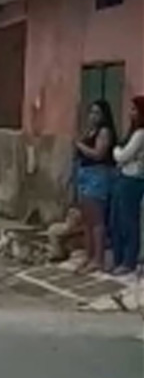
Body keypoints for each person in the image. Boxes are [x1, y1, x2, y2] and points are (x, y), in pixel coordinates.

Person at [74, 99, 117, 273]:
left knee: (96, 220)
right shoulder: (90, 131)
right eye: (91, 112)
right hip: (84, 175)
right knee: (86, 220)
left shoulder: (104, 132)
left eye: (97, 113)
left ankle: (97, 259)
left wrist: (80, 145)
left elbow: (98, 154)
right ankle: (88, 255)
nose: (93, 116)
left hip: (97, 176)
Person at [109, 96, 144, 275]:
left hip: (132, 180)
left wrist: (116, 150)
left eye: (134, 110)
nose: (131, 113)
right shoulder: (133, 132)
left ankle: (128, 260)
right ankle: (118, 258)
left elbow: (123, 156)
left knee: (128, 221)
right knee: (116, 220)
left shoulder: (140, 134)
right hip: (123, 177)